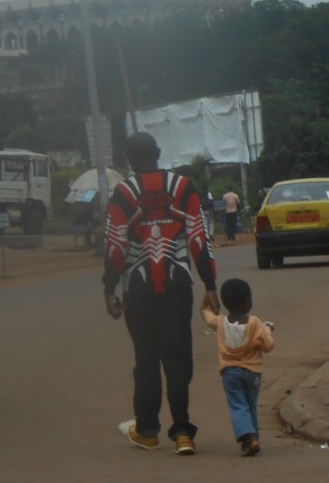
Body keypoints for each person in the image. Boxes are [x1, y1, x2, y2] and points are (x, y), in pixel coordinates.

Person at [103, 132, 220, 455]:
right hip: (178, 285)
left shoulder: (123, 193)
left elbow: (115, 245)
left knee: (146, 358)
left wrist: (109, 288)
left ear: (129, 160)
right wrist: (210, 285)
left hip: (138, 290)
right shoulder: (183, 187)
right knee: (177, 357)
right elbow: (199, 238)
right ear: (157, 153)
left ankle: (148, 430)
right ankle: (182, 432)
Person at [201, 278, 275, 457]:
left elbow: (208, 318)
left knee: (238, 405)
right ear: (247, 301)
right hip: (253, 373)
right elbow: (268, 346)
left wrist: (205, 307)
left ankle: (249, 438)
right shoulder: (255, 323)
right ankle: (253, 438)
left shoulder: (220, 322)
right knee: (250, 405)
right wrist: (267, 329)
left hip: (230, 372)